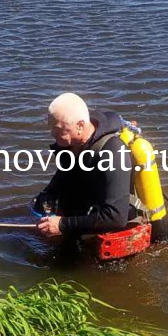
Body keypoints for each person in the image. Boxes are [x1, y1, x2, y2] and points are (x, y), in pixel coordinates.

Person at [34, 93, 141, 240]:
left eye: (58, 129)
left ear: (80, 126)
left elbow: (116, 218)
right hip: (81, 221)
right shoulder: (70, 146)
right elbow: (62, 179)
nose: (52, 133)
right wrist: (46, 198)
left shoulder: (113, 151)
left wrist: (62, 225)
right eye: (51, 127)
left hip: (110, 230)